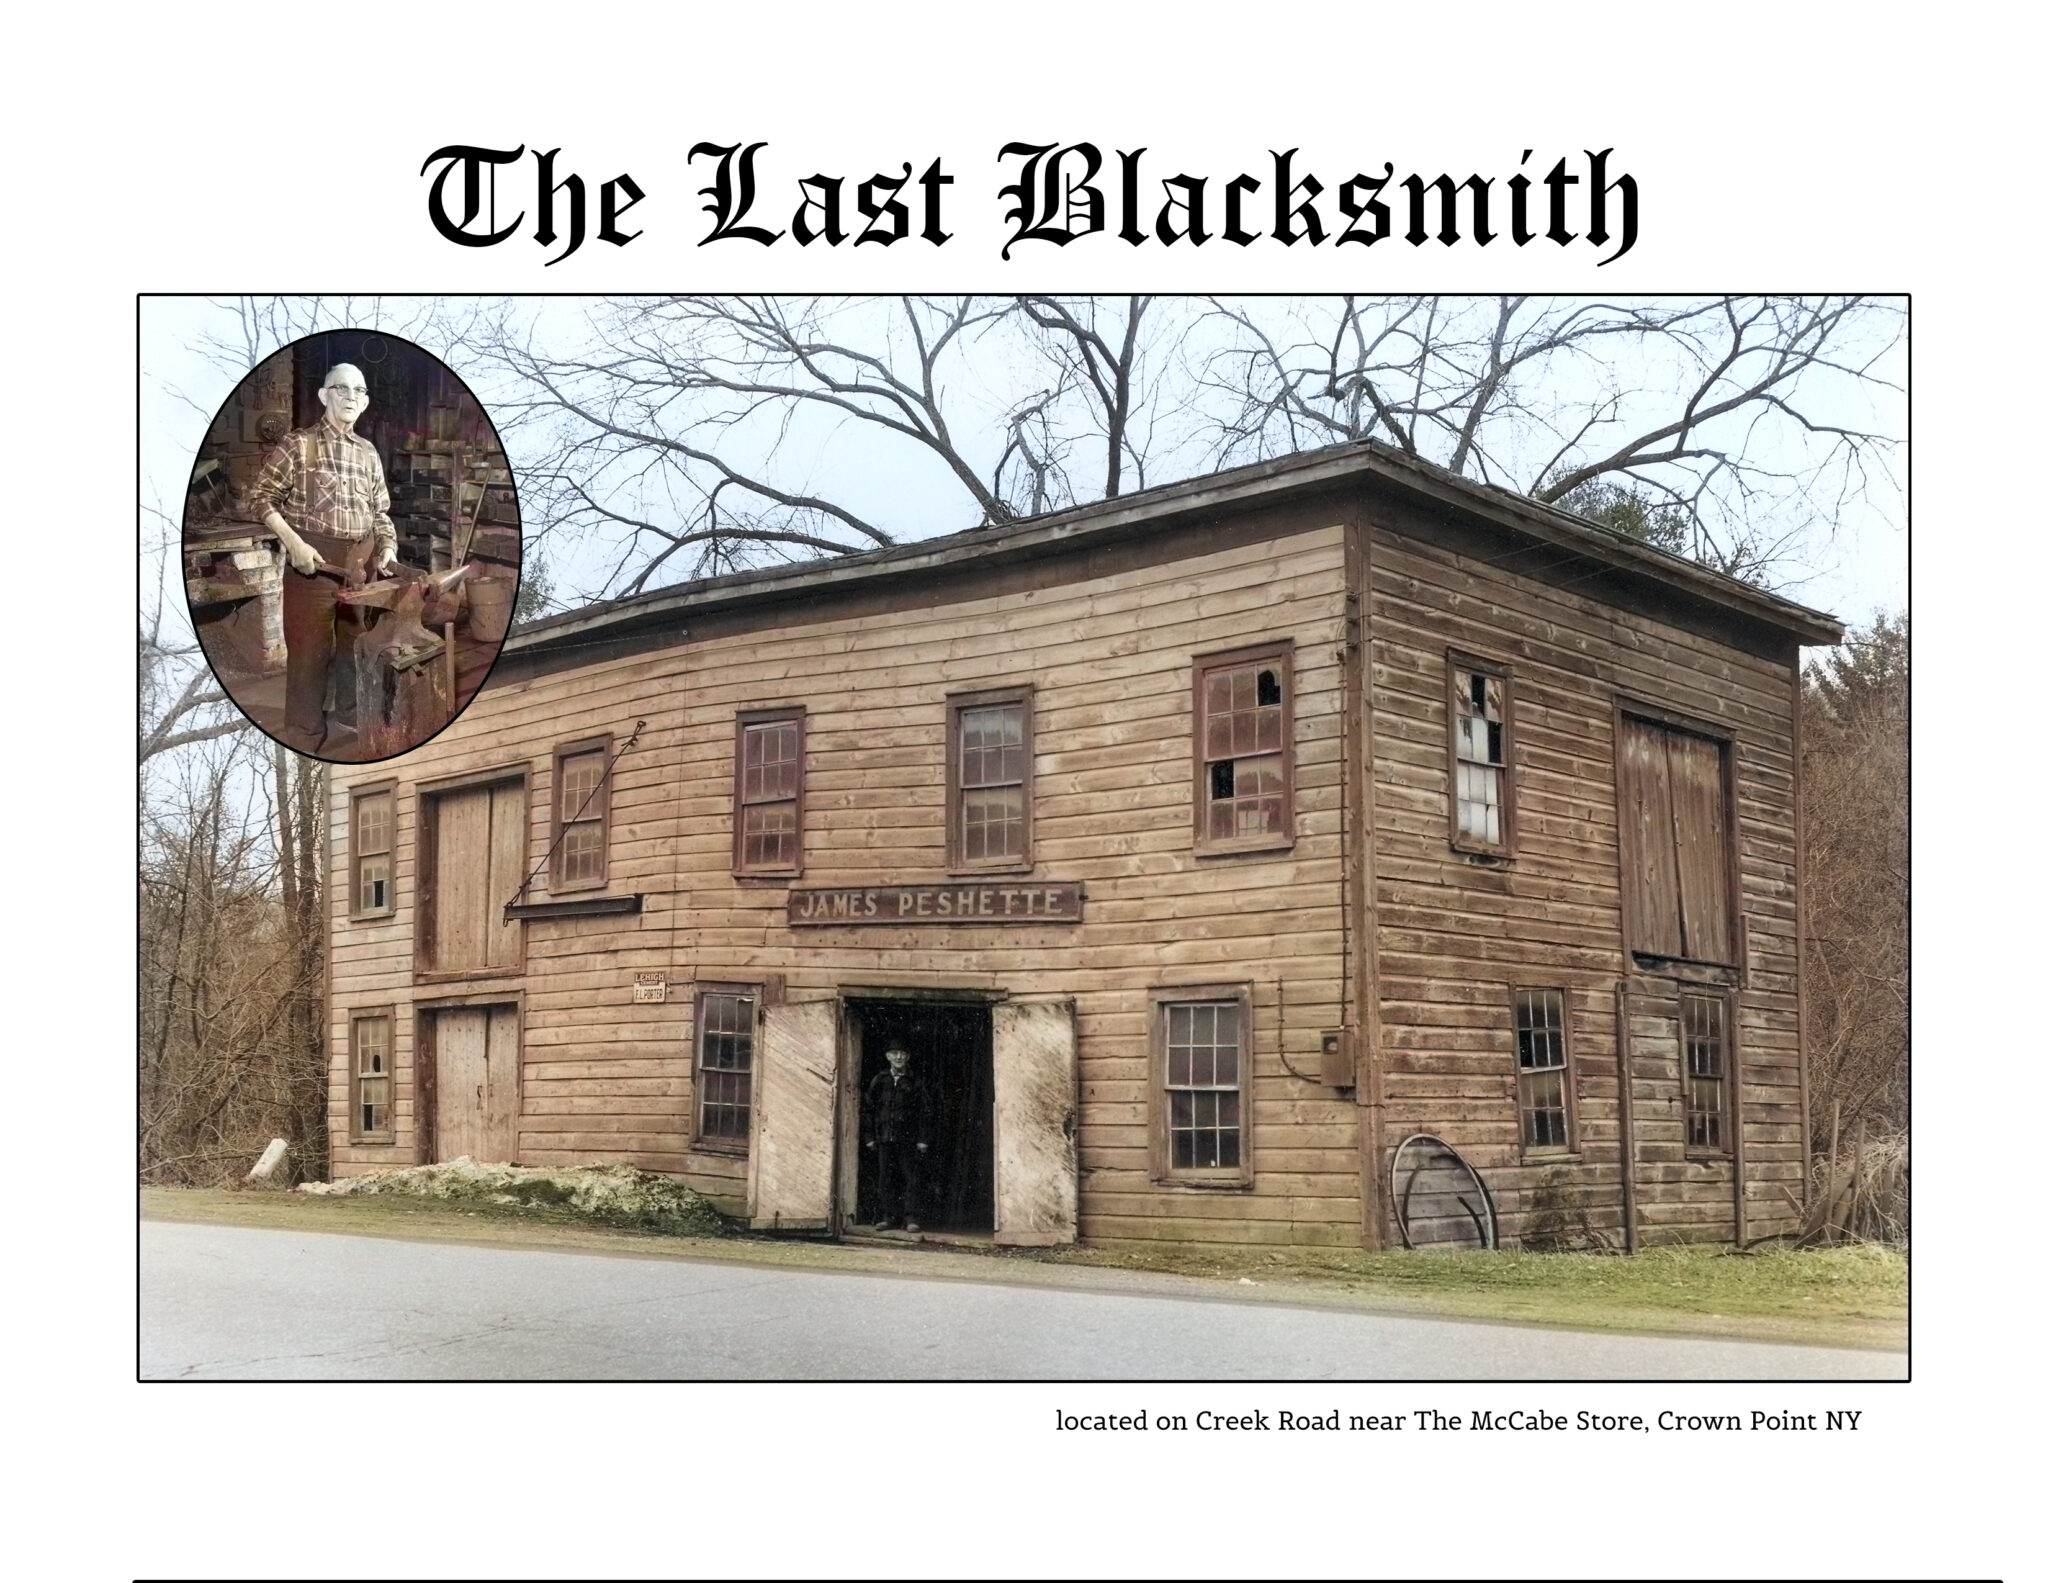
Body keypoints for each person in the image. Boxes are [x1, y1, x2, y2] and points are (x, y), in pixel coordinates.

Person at [247, 364, 398, 753]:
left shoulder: (367, 453)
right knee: (309, 660)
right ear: (323, 395)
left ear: (365, 402)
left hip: (360, 566)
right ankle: (305, 738)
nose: (350, 397)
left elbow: (381, 513)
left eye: (359, 391)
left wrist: (388, 549)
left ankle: (350, 720)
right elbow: (261, 499)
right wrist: (293, 544)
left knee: (356, 648)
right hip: (311, 565)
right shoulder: (299, 445)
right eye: (341, 388)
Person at [864, 1043, 930, 1231]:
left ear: (908, 1057)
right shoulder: (880, 1080)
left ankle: (911, 1219)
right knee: (886, 1177)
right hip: (884, 1138)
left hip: (907, 1139)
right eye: (895, 1053)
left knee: (910, 1178)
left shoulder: (915, 1081)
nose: (899, 1057)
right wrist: (869, 1136)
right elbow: (869, 1109)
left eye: (903, 1053)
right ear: (888, 1056)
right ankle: (888, 1217)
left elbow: (925, 1112)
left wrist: (923, 1139)